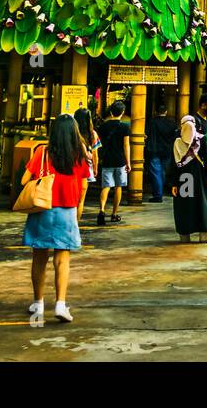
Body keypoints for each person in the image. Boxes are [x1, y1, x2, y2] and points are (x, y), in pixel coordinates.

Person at [21, 114, 89, 323]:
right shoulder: (79, 154)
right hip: (67, 210)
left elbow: (25, 180)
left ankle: (38, 303)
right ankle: (60, 304)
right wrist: (79, 208)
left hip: (42, 208)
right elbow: (84, 184)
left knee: (39, 258)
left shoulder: (42, 152)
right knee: (62, 259)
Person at [168, 115, 207, 243]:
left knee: (185, 205)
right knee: (201, 204)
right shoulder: (201, 140)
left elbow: (173, 164)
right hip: (199, 178)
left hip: (184, 179)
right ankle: (203, 234)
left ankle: (185, 235)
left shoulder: (177, 142)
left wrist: (174, 183)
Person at [96, 100, 131, 226]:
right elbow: (126, 145)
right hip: (120, 160)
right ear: (122, 112)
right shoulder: (125, 127)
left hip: (107, 159)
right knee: (118, 186)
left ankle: (101, 210)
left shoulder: (102, 127)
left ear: (111, 112)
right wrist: (128, 162)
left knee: (106, 186)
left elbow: (99, 144)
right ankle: (114, 214)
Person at [144, 100, 179, 203]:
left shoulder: (152, 122)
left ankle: (158, 195)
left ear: (156, 112)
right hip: (167, 151)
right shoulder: (172, 123)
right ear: (166, 112)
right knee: (162, 172)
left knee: (156, 172)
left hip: (154, 150)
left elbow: (146, 135)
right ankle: (159, 192)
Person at [72, 108, 99, 218]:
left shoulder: (72, 132)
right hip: (86, 168)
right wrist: (95, 168)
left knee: (71, 198)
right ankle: (76, 226)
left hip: (72, 166)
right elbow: (95, 154)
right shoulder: (92, 134)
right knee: (81, 200)